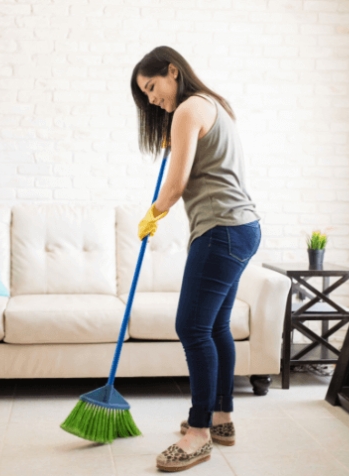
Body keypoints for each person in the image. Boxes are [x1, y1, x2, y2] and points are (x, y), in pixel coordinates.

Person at [131, 46, 262, 472]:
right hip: (243, 228)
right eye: (144, 95)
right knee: (216, 326)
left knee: (191, 326)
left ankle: (199, 433)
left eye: (152, 87)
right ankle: (222, 418)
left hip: (220, 231)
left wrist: (154, 212)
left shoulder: (188, 109)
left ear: (173, 71)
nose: (151, 99)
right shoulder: (214, 105)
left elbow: (177, 182)